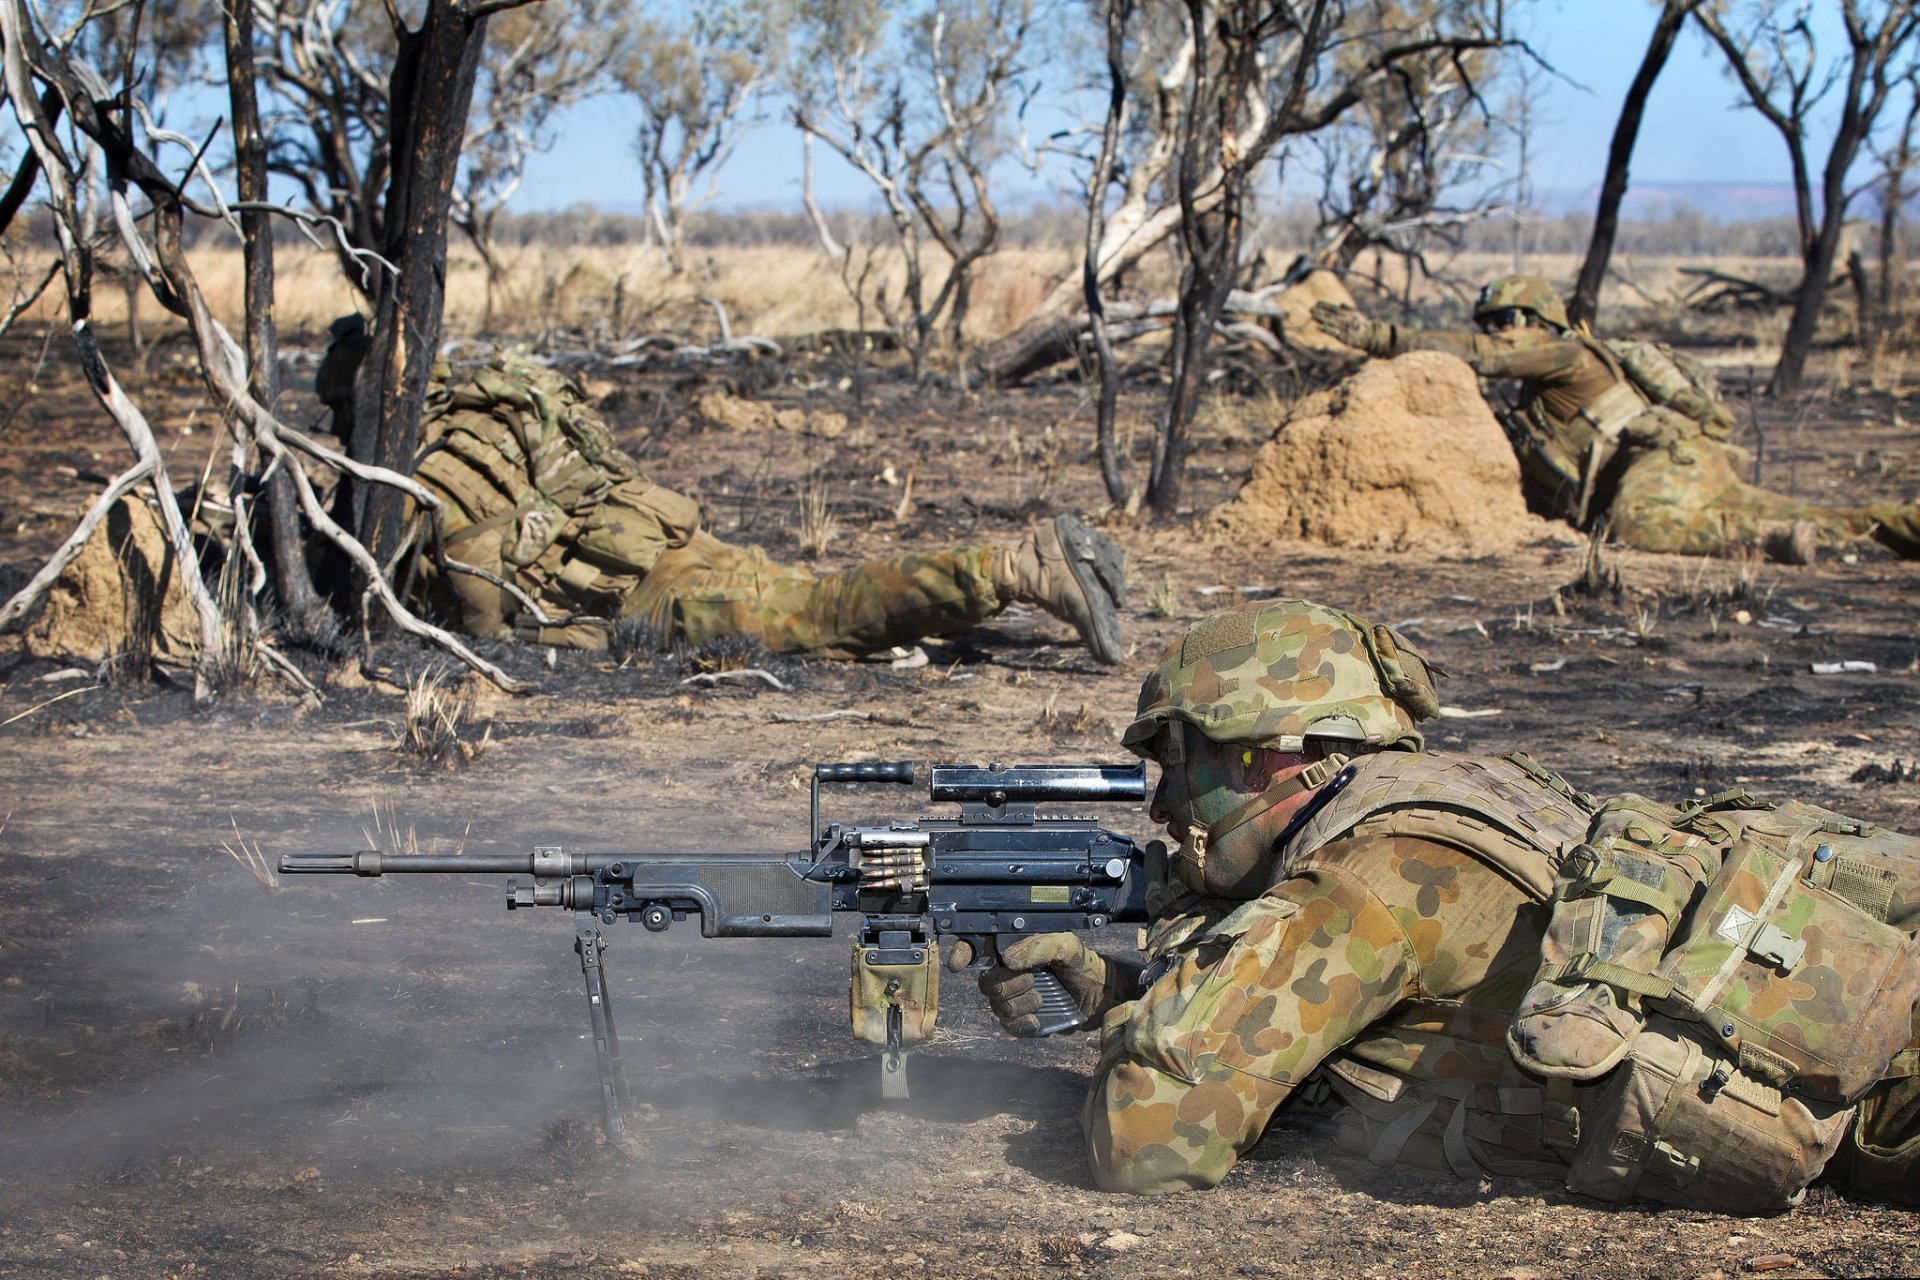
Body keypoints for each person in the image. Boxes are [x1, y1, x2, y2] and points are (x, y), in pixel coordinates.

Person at [965, 599, 1920, 1211]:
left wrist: (1139, 1020)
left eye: (1180, 757)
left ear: (1267, 751)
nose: (1163, 802)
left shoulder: (1361, 879)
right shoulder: (1465, 789)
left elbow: (1150, 1137)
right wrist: (1119, 980)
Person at [316, 322, 1125, 663]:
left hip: (634, 596)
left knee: (824, 620)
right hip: (675, 540)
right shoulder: (496, 395)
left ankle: (1019, 568)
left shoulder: (431, 464)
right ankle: (1024, 567)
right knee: (826, 596)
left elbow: (484, 611)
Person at [1309, 277, 1920, 563]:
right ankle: (1901, 529)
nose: (1498, 332)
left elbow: (1480, 357)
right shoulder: (1535, 397)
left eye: (1509, 319)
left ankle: (1763, 545)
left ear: (1539, 320)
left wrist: (1379, 335)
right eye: (1491, 321)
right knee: (1803, 512)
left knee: (1639, 528)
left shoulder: (1565, 351)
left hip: (1663, 457)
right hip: (1672, 459)